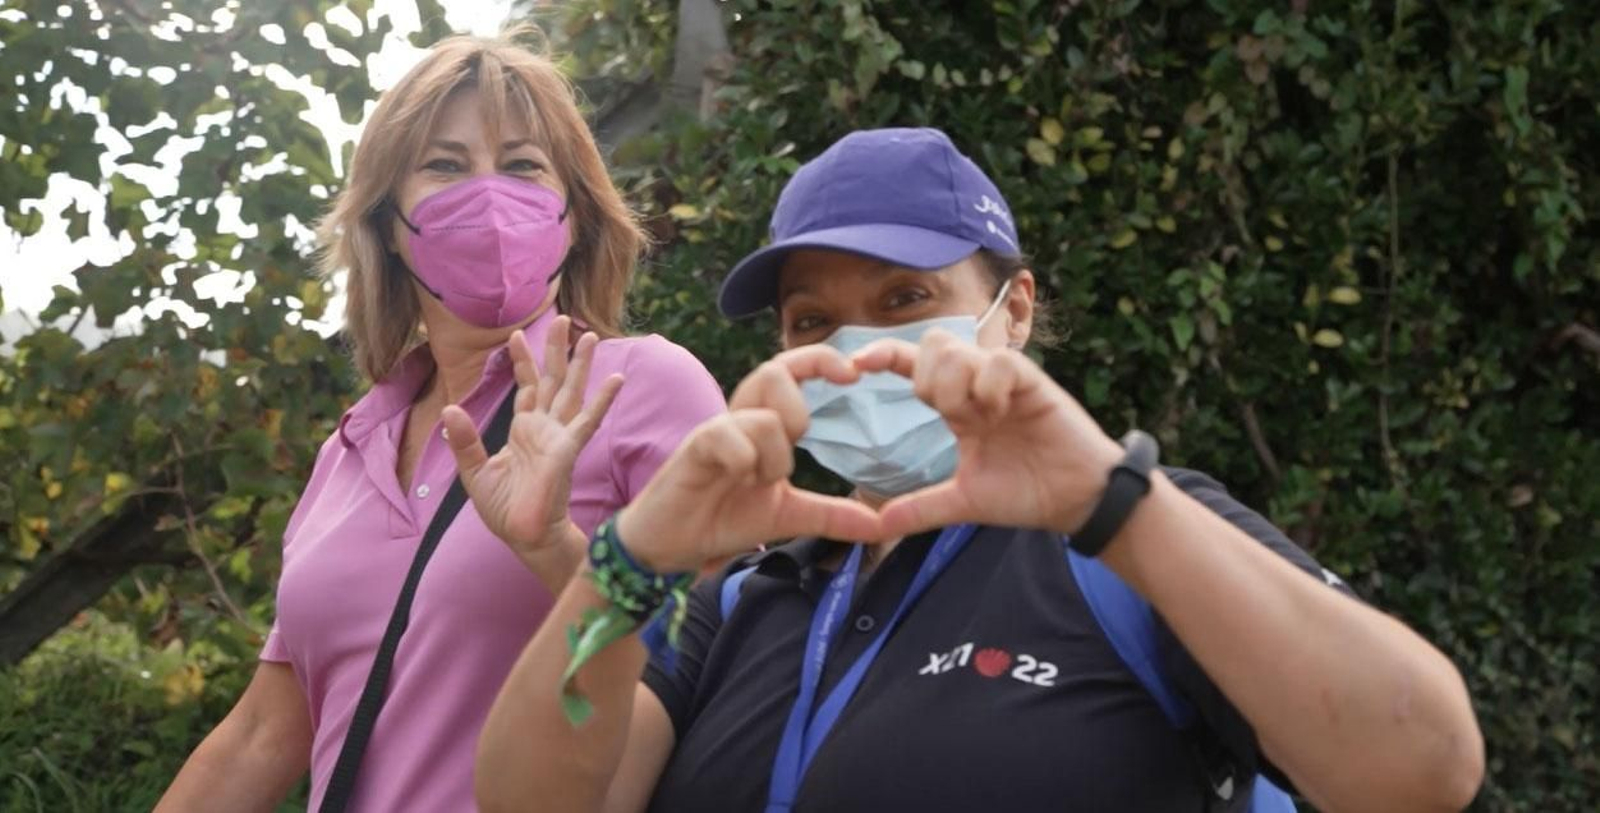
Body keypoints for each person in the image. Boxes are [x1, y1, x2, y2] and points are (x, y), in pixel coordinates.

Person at [469, 128, 1485, 812]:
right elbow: (532, 797)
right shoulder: (748, 599)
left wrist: (1110, 500)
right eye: (813, 320)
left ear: (1018, 310)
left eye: (907, 297)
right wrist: (623, 561)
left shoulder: (1128, 546)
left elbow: (1420, 768)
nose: (859, 348)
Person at [156, 31, 725, 812]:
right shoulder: (351, 446)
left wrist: (558, 552)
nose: (489, 198)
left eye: (524, 165)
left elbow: (716, 650)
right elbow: (263, 732)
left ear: (574, 214)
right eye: (446, 166)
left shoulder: (640, 385)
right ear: (387, 224)